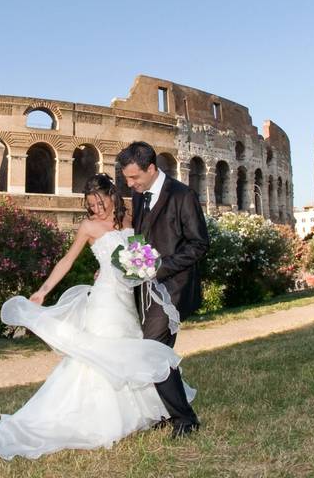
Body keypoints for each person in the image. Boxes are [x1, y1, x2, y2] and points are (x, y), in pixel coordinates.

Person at [0, 174, 192, 459]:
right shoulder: (89, 226)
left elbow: (139, 251)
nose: (97, 209)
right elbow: (67, 260)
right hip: (105, 300)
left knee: (128, 350)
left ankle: (142, 413)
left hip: (127, 300)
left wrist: (141, 266)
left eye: (101, 201)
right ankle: (94, 419)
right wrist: (43, 291)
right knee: (101, 354)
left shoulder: (130, 216)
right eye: (91, 204)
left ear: (113, 195)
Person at [118, 141, 208, 438]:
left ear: (152, 168)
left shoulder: (184, 196)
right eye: (127, 179)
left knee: (152, 350)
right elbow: (139, 237)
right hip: (144, 287)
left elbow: (199, 244)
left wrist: (161, 266)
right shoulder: (138, 193)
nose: (130, 184)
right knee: (157, 352)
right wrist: (131, 262)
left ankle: (185, 419)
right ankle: (164, 411)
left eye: (134, 178)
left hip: (173, 288)